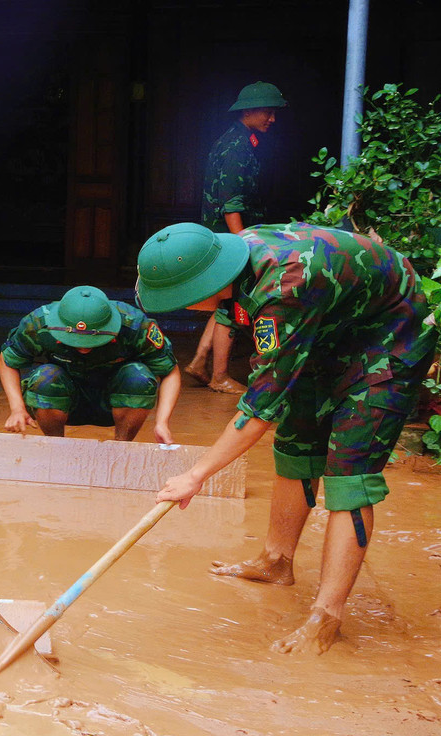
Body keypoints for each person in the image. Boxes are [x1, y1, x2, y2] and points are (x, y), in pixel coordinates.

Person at [137, 222, 435, 654]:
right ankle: (276, 562)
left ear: (211, 279)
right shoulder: (231, 259)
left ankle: (326, 618)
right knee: (296, 445)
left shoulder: (286, 288)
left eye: (183, 298)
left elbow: (259, 408)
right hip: (327, 334)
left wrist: (195, 475)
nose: (181, 308)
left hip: (390, 337)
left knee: (349, 476)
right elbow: (242, 329)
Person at [185, 82, 288, 395]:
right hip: (231, 239)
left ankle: (201, 361)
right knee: (232, 306)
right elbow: (231, 203)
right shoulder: (237, 148)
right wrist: (243, 245)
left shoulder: (241, 140)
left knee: (225, 302)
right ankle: (219, 376)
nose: (273, 118)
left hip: (228, 238)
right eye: (268, 112)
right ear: (249, 111)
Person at [0, 285, 181, 442]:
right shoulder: (39, 323)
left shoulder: (133, 324)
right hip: (63, 399)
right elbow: (6, 360)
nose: (84, 349)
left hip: (117, 399)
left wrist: (162, 423)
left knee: (138, 376)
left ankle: (122, 446)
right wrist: (17, 408)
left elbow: (170, 372)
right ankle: (54, 446)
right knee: (45, 377)